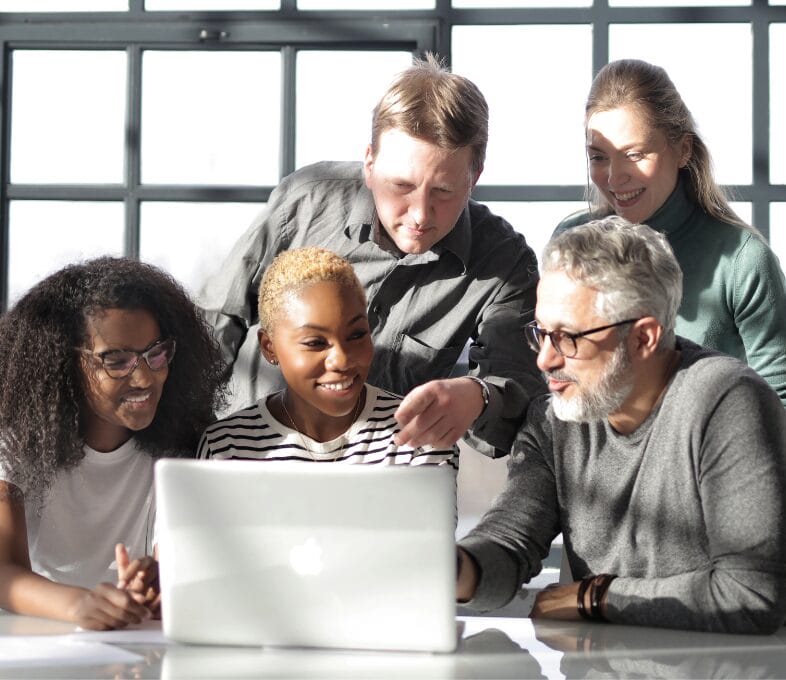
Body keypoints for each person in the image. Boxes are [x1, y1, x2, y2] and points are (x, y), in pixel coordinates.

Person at [197, 53, 545, 459]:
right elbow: (215, 322)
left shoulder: (504, 262)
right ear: (369, 164)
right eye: (402, 185)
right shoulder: (307, 200)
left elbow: (516, 389)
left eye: (444, 192)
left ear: (475, 177)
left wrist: (479, 396)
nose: (419, 214)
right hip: (247, 459)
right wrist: (186, 441)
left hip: (378, 484)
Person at [456, 216, 786, 634]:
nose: (544, 360)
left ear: (644, 338)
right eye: (541, 332)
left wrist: (594, 596)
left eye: (569, 337)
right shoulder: (551, 419)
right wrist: (455, 568)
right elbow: (508, 543)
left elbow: (751, 594)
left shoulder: (726, 399)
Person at [0, 257, 227, 630]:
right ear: (63, 363)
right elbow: (3, 570)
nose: (144, 378)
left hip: (139, 644)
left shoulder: (182, 444)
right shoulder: (17, 444)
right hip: (36, 640)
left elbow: (173, 560)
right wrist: (79, 606)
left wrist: (153, 579)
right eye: (117, 360)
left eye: (157, 354)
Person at [555, 58, 786, 406]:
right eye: (599, 157)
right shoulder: (572, 241)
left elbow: (777, 404)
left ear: (683, 149)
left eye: (634, 154)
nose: (615, 178)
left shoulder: (742, 261)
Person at [198, 247, 456, 472]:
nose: (342, 361)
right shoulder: (226, 447)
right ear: (270, 347)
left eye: (356, 335)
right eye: (315, 343)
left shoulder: (423, 434)